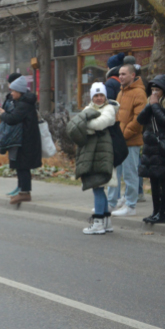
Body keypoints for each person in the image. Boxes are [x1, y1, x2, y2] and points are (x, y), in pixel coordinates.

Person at [67, 83, 118, 234]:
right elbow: (78, 127)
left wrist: (85, 125)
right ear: (91, 97)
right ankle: (106, 222)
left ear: (105, 96)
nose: (99, 98)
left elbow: (100, 124)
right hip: (93, 155)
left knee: (98, 187)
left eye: (101, 95)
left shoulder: (109, 109)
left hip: (103, 154)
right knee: (98, 187)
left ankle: (98, 223)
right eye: (95, 95)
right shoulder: (88, 109)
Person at [109, 64, 146, 217]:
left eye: (124, 74)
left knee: (131, 174)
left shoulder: (139, 93)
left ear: (133, 75)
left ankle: (131, 205)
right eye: (120, 74)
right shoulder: (121, 92)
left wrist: (124, 134)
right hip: (120, 140)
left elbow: (139, 119)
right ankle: (114, 202)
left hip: (131, 141)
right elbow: (117, 115)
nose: (121, 77)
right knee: (116, 173)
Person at [137, 75, 165, 224]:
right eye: (152, 90)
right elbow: (140, 120)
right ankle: (155, 212)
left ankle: (163, 214)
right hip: (151, 149)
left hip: (164, 149)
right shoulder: (153, 104)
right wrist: (150, 105)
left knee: (163, 182)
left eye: (157, 90)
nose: (154, 93)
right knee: (153, 182)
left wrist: (155, 105)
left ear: (164, 91)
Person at [0, 75, 41, 205]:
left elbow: (13, 119)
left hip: (26, 141)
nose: (11, 94)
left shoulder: (24, 105)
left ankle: (25, 193)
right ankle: (23, 191)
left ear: (19, 92)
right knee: (21, 166)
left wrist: (2, 114)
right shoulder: (23, 103)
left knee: (23, 166)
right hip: (25, 139)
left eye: (13, 91)